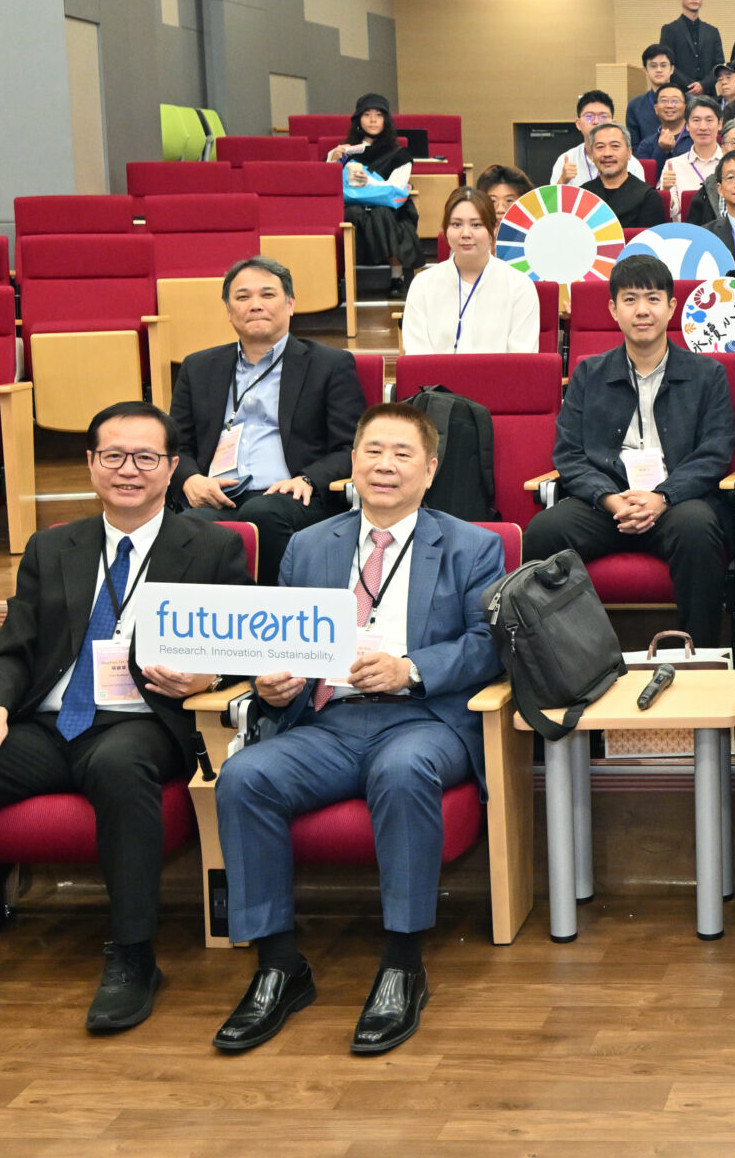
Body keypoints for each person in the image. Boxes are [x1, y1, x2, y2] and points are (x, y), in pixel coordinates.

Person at [0, 402, 248, 1034]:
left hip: (144, 721)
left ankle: (133, 956)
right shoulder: (53, 547)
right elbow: (14, 647)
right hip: (49, 724)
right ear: (90, 464)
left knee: (118, 765)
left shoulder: (211, 546)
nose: (128, 470)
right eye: (113, 456)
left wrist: (209, 678)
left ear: (171, 467)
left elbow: (244, 645)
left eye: (145, 458)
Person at [210, 403, 508, 1057]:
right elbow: (281, 643)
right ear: (352, 462)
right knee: (244, 775)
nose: (385, 465)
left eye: (403, 453)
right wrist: (272, 679)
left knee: (401, 771)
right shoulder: (309, 545)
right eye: (373, 450)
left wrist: (410, 668)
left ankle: (403, 962)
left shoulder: (471, 544)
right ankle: (278, 964)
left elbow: (489, 645)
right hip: (330, 719)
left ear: (429, 470)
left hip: (423, 718)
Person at [524, 254, 735, 646]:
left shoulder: (707, 374)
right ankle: (559, 657)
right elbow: (568, 454)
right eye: (630, 299)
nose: (643, 310)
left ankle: (702, 656)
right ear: (613, 309)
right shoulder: (589, 373)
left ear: (672, 307)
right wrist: (609, 500)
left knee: (698, 530)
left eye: (654, 299)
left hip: (676, 502)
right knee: (542, 532)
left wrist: (662, 497)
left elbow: (716, 451)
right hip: (606, 503)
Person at [169, 258, 364, 583]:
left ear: (290, 304)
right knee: (189, 526)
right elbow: (175, 445)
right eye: (243, 297)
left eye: (268, 295)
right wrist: (190, 480)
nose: (255, 305)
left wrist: (307, 479)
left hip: (293, 494)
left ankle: (273, 615)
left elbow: (352, 446)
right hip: (217, 493)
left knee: (263, 513)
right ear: (229, 311)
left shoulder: (329, 365)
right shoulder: (198, 367)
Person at [401, 189, 539, 355]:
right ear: (445, 230)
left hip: (499, 380)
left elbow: (522, 359)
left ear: (492, 230)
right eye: (456, 224)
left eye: (476, 225)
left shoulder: (519, 286)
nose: (466, 234)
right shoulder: (423, 285)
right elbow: (417, 356)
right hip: (436, 381)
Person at [328, 93, 421, 286]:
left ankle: (397, 276)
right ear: (358, 120)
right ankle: (344, 277)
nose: (372, 120)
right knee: (350, 214)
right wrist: (332, 161)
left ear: (386, 120)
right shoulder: (346, 152)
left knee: (381, 214)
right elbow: (327, 186)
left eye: (378, 115)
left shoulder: (399, 155)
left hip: (389, 207)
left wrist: (369, 182)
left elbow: (396, 188)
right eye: (367, 114)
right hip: (353, 204)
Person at [580, 122, 670, 231]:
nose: (607, 153)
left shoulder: (648, 197)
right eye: (600, 147)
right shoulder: (583, 195)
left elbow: (651, 245)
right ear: (592, 155)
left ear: (629, 152)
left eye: (615, 146)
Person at [658, 95, 728, 203]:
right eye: (696, 120)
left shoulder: (730, 163)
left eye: (709, 120)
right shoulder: (674, 166)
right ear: (687, 126)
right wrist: (666, 191)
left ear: (719, 124)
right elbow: (673, 214)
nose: (703, 127)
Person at [660, 0, 722, 95]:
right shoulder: (669, 30)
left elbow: (718, 65)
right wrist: (690, 86)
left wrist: (703, 85)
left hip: (708, 94)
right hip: (679, 93)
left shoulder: (712, 31)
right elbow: (667, 64)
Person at [546, 89, 617, 186]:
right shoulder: (565, 161)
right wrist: (562, 181)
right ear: (578, 124)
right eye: (589, 116)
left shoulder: (629, 163)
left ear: (613, 124)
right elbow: (553, 201)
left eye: (603, 117)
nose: (596, 121)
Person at [629, 46, 678, 147]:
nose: (659, 70)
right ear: (645, 70)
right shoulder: (635, 106)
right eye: (653, 66)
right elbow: (634, 148)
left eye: (663, 65)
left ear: (672, 69)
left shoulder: (689, 102)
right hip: (648, 159)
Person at [639, 84, 691, 169]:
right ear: (656, 108)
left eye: (675, 101)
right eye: (664, 101)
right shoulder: (646, 145)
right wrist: (661, 150)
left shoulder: (696, 138)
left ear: (685, 107)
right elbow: (646, 178)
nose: (669, 105)